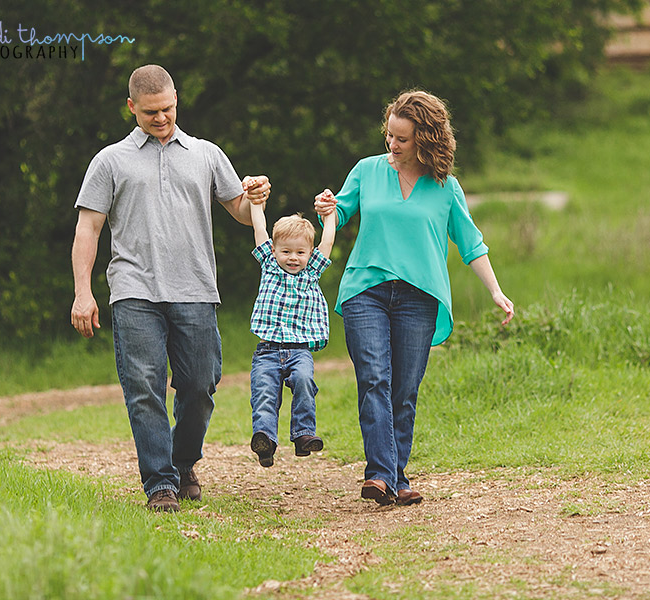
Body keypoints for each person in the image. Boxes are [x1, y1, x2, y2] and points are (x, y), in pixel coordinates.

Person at [70, 64, 271, 512]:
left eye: (166, 109)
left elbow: (238, 208)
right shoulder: (110, 161)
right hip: (133, 290)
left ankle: (183, 464)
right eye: (149, 112)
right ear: (131, 108)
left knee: (200, 385)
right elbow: (89, 228)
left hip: (195, 288)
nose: (160, 118)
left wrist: (254, 194)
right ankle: (160, 483)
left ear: (176, 99)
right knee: (144, 386)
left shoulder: (205, 153)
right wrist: (83, 292)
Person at [314, 90, 514, 506]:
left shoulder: (445, 187)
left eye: (402, 139)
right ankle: (380, 475)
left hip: (419, 298)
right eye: (389, 135)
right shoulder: (367, 171)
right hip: (365, 290)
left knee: (403, 390)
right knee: (374, 378)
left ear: (425, 139)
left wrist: (495, 291)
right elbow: (340, 212)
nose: (392, 145)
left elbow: (471, 243)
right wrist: (326, 208)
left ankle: (396, 477)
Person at [247, 202, 337, 467]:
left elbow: (328, 241)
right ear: (274, 251)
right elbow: (259, 228)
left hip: (299, 351)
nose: (293, 258)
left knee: (303, 381)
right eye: (286, 251)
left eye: (300, 252)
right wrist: (256, 204)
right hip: (267, 350)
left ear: (310, 253)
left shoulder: (312, 272)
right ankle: (265, 441)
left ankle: (303, 435)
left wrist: (329, 216)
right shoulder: (269, 266)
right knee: (264, 392)